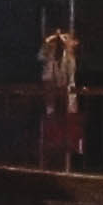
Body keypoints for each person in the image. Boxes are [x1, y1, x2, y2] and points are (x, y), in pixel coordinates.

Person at [35, 23, 82, 172]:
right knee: (51, 126)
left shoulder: (70, 58)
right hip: (53, 100)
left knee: (68, 128)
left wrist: (66, 43)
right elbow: (41, 58)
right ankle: (50, 160)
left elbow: (69, 72)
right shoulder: (51, 59)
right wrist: (50, 41)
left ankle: (68, 162)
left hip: (66, 100)